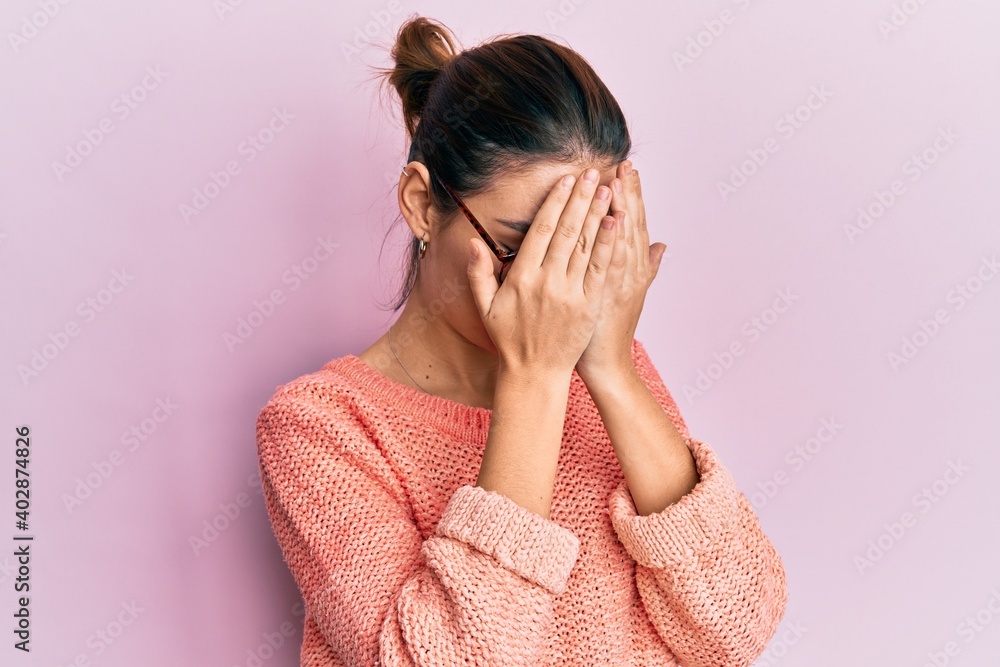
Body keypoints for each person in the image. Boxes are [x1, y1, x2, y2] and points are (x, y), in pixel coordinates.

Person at [256, 15, 787, 666]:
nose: (555, 287)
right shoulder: (321, 428)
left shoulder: (607, 372)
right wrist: (534, 380)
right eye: (519, 246)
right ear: (424, 203)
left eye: (582, 244)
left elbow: (738, 626)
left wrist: (614, 371)